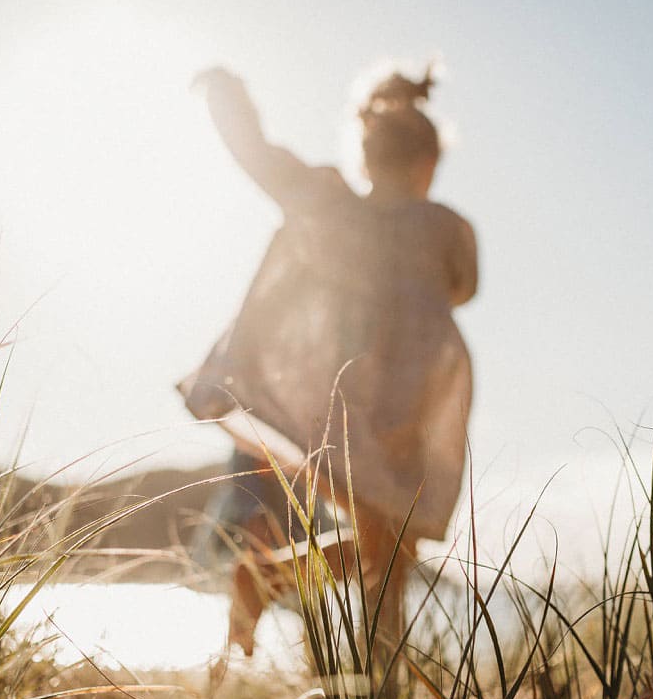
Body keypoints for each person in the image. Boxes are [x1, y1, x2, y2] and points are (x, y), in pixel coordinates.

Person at [180, 64, 477, 659]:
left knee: (384, 551)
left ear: (365, 158)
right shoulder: (446, 224)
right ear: (429, 166)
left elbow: (257, 155)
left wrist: (226, 95)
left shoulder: (330, 205)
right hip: (413, 405)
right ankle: (376, 695)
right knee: (391, 552)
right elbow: (464, 286)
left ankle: (274, 584)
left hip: (345, 398)